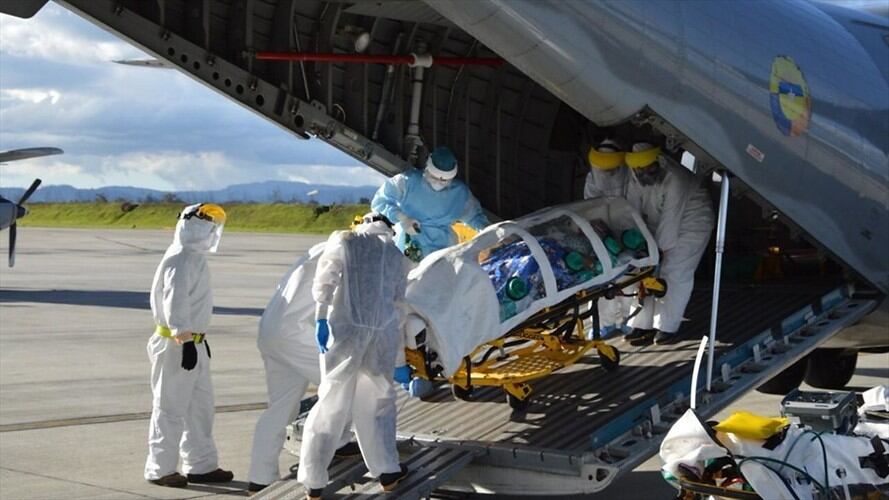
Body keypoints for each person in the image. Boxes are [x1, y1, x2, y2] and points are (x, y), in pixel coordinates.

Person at [297, 214, 413, 499]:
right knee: (379, 404)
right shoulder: (397, 256)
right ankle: (387, 471)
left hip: (346, 333)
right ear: (389, 228)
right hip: (381, 337)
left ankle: (314, 481)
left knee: (331, 402)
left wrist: (321, 319)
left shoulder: (346, 240)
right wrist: (399, 358)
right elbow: (399, 306)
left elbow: (325, 281)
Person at [246, 242, 358, 494]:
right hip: (294, 332)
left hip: (271, 330)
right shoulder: (345, 254)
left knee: (281, 407)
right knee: (344, 381)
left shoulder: (320, 249)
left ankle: (259, 478)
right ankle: (338, 443)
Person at [145, 203, 234, 488]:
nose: (210, 227)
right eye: (206, 221)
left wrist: (194, 342)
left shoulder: (193, 257)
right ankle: (160, 469)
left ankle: (201, 465)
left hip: (194, 344)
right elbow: (175, 302)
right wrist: (184, 339)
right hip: (176, 344)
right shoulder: (181, 257)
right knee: (169, 408)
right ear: (189, 223)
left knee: (200, 408)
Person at [622, 143, 715, 345]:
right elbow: (633, 213)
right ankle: (641, 324)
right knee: (642, 272)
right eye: (641, 170)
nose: (645, 172)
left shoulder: (676, 179)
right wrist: (639, 245)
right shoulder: (634, 177)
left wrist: (660, 250)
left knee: (674, 271)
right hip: (659, 222)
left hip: (692, 222)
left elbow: (671, 218)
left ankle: (667, 326)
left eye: (649, 168)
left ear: (658, 162)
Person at [371, 146, 489, 261]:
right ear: (427, 169)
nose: (438, 182)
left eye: (444, 180)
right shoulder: (407, 181)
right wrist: (403, 218)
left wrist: (491, 231)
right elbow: (381, 202)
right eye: (434, 177)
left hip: (443, 250)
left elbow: (475, 218)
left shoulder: (460, 194)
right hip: (407, 245)